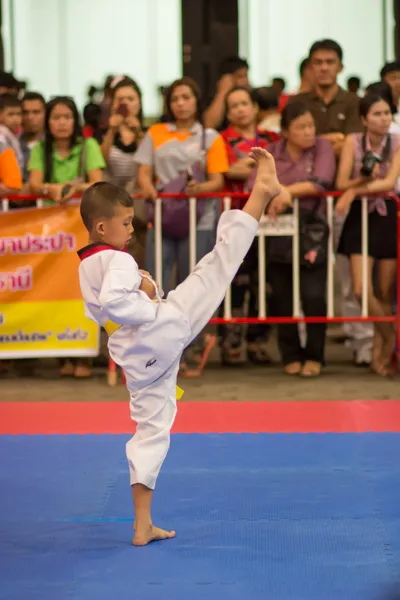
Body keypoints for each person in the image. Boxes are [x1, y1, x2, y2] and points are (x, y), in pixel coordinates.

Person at [77, 148, 281, 545]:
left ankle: (142, 524)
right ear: (102, 228)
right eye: (125, 222)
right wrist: (149, 294)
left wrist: (144, 292)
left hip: (138, 356)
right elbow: (120, 302)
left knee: (150, 431)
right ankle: (261, 194)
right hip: (160, 328)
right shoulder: (117, 260)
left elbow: (105, 309)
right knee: (217, 267)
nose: (132, 228)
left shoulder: (87, 264)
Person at [265, 101, 336, 377]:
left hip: (311, 229)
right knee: (281, 294)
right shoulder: (272, 152)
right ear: (285, 131)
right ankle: (290, 354)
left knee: (314, 295)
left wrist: (286, 193)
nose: (309, 132)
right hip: (276, 228)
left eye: (311, 126)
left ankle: (315, 355)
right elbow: (256, 183)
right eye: (301, 127)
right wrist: (278, 195)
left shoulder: (323, 148)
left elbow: (322, 181)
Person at [336, 91, 400, 377]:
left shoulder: (397, 142)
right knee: (362, 289)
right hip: (359, 217)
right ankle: (390, 336)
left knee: (385, 292)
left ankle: (380, 357)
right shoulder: (352, 141)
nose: (384, 119)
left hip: (387, 214)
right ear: (364, 119)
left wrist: (353, 191)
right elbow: (340, 180)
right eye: (377, 114)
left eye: (387, 113)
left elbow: (388, 182)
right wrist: (357, 183)